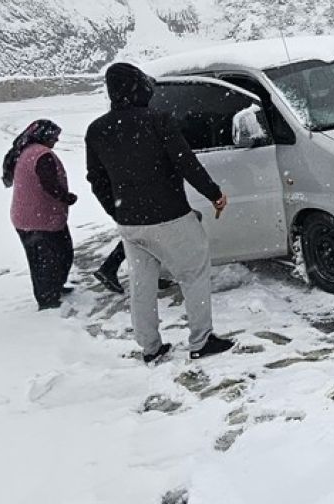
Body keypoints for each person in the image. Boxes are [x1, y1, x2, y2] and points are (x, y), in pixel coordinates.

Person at [85, 62, 234, 363]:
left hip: (130, 224)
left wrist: (118, 212)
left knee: (142, 284)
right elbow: (186, 163)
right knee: (194, 273)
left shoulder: (97, 129)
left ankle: (150, 348)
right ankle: (201, 340)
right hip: (171, 216)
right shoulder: (158, 120)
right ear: (138, 87)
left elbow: (96, 180)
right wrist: (214, 194)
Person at [2, 119, 77, 310]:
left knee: (45, 258)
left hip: (28, 216)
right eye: (54, 137)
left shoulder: (26, 151)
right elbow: (50, 185)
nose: (57, 141)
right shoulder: (42, 155)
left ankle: (52, 289)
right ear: (44, 136)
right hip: (40, 218)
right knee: (51, 258)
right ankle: (47, 300)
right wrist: (67, 197)